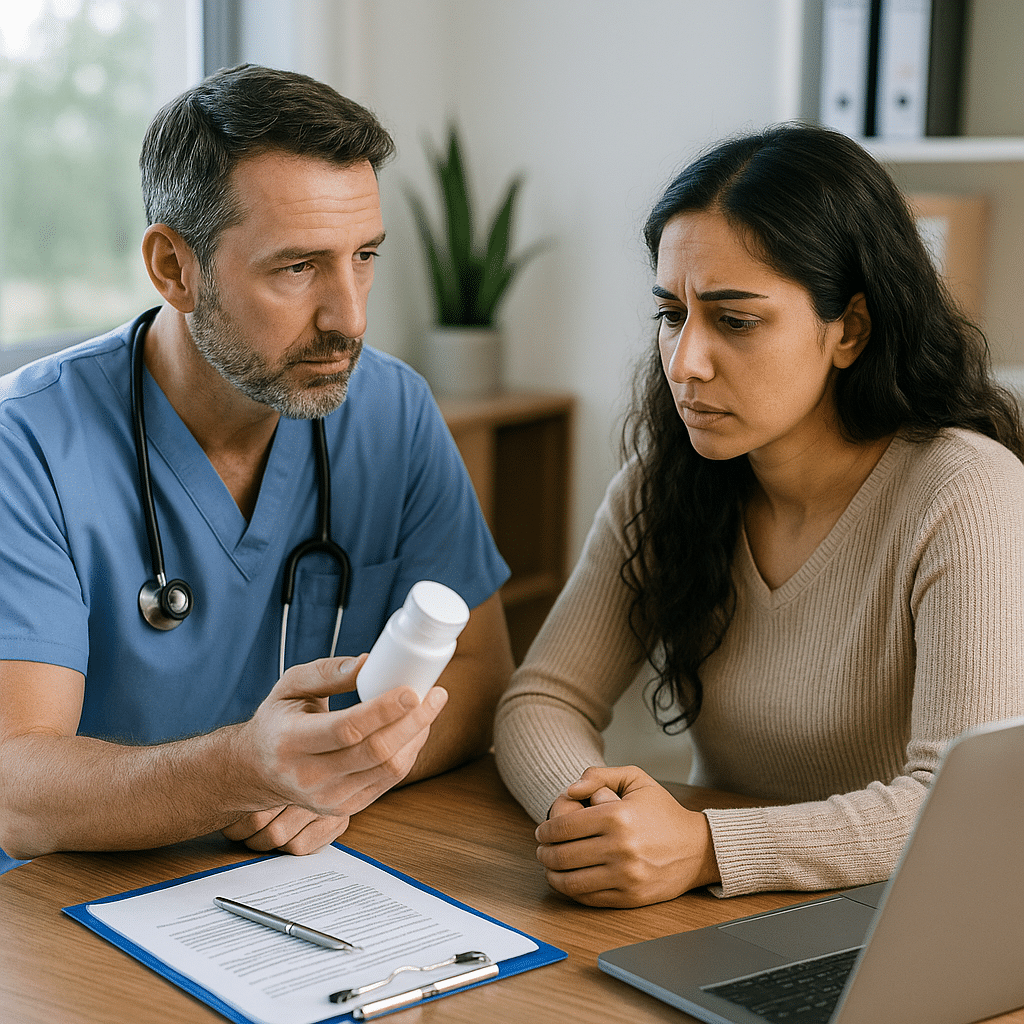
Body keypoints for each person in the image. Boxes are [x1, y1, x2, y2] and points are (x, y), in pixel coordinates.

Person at [493, 123, 1024, 907]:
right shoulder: (661, 483)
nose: (685, 362)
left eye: (735, 321)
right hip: (713, 907)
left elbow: (956, 805)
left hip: (910, 912)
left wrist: (706, 848)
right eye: (672, 313)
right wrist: (600, 822)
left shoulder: (967, 492)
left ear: (850, 328)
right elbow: (542, 700)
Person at [0, 65, 514, 872]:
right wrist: (245, 770)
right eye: (297, 267)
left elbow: (482, 676)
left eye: (365, 255)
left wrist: (346, 773)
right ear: (174, 268)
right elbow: (15, 786)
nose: (350, 317)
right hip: (71, 905)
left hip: (306, 878)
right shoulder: (26, 443)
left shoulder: (391, 409)